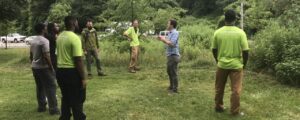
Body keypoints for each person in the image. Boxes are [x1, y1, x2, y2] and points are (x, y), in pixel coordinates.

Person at [212, 9, 249, 116]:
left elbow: (214, 49)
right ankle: (234, 111)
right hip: (237, 65)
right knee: (236, 90)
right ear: (235, 19)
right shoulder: (240, 33)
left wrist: (217, 60)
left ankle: (218, 107)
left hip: (222, 64)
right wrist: (244, 64)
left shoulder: (218, 32)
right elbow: (246, 51)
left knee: (219, 87)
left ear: (225, 18)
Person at [56, 16, 87, 120]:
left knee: (66, 97)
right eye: (77, 23)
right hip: (71, 72)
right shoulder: (74, 38)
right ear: (73, 24)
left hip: (60, 71)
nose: (78, 24)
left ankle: (64, 117)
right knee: (77, 99)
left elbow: (57, 55)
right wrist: (83, 78)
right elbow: (78, 60)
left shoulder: (60, 36)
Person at [29, 23, 60, 115]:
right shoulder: (44, 41)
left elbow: (31, 55)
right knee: (51, 87)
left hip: (35, 67)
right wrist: (51, 67)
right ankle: (54, 109)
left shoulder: (33, 40)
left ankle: (41, 107)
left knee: (40, 87)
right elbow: (47, 55)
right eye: (45, 28)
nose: (47, 29)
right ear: (43, 29)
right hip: (44, 68)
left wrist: (33, 64)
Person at [158, 19, 180, 94]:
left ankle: (175, 89)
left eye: (168, 23)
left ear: (172, 25)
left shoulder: (175, 33)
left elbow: (172, 44)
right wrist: (161, 39)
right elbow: (167, 41)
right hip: (170, 55)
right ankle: (171, 86)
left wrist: (164, 40)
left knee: (173, 72)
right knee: (169, 71)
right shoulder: (170, 33)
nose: (167, 24)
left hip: (174, 56)